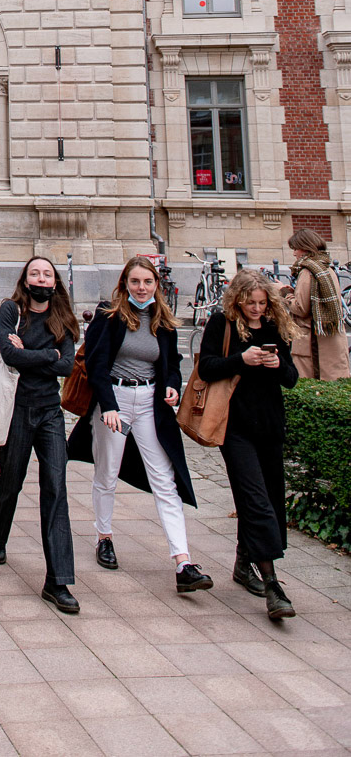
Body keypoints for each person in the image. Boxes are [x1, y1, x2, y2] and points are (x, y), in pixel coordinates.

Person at [67, 258, 213, 594]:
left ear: (156, 284)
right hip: (114, 399)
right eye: (135, 282)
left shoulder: (163, 320)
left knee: (165, 478)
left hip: (149, 403)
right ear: (124, 283)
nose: (141, 288)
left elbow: (172, 362)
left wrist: (173, 385)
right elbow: (95, 364)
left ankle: (183, 561)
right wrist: (109, 406)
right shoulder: (109, 316)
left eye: (147, 281)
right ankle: (104, 537)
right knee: (107, 472)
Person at [198, 269, 299, 620]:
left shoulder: (274, 328)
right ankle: (273, 585)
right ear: (237, 300)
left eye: (262, 303)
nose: (256, 309)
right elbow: (207, 368)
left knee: (270, 499)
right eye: (250, 303)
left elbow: (291, 379)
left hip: (270, 426)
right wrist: (241, 359)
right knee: (256, 501)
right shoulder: (220, 324)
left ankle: (243, 565)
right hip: (235, 428)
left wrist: (275, 362)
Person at [0, 257, 80, 614]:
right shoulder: (12, 310)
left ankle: (58, 581)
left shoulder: (63, 318)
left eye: (47, 274)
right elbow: (9, 355)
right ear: (24, 280)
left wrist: (32, 354)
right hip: (17, 411)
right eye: (34, 273)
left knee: (56, 487)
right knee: (11, 480)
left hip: (50, 412)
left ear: (55, 282)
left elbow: (67, 365)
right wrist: (46, 356)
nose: (41, 278)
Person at [284, 229, 350, 379]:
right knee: (334, 388)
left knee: (313, 389)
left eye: (295, 248)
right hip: (332, 339)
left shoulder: (308, 271)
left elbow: (301, 309)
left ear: (305, 247)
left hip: (312, 345)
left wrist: (285, 294)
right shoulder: (326, 268)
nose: (294, 253)